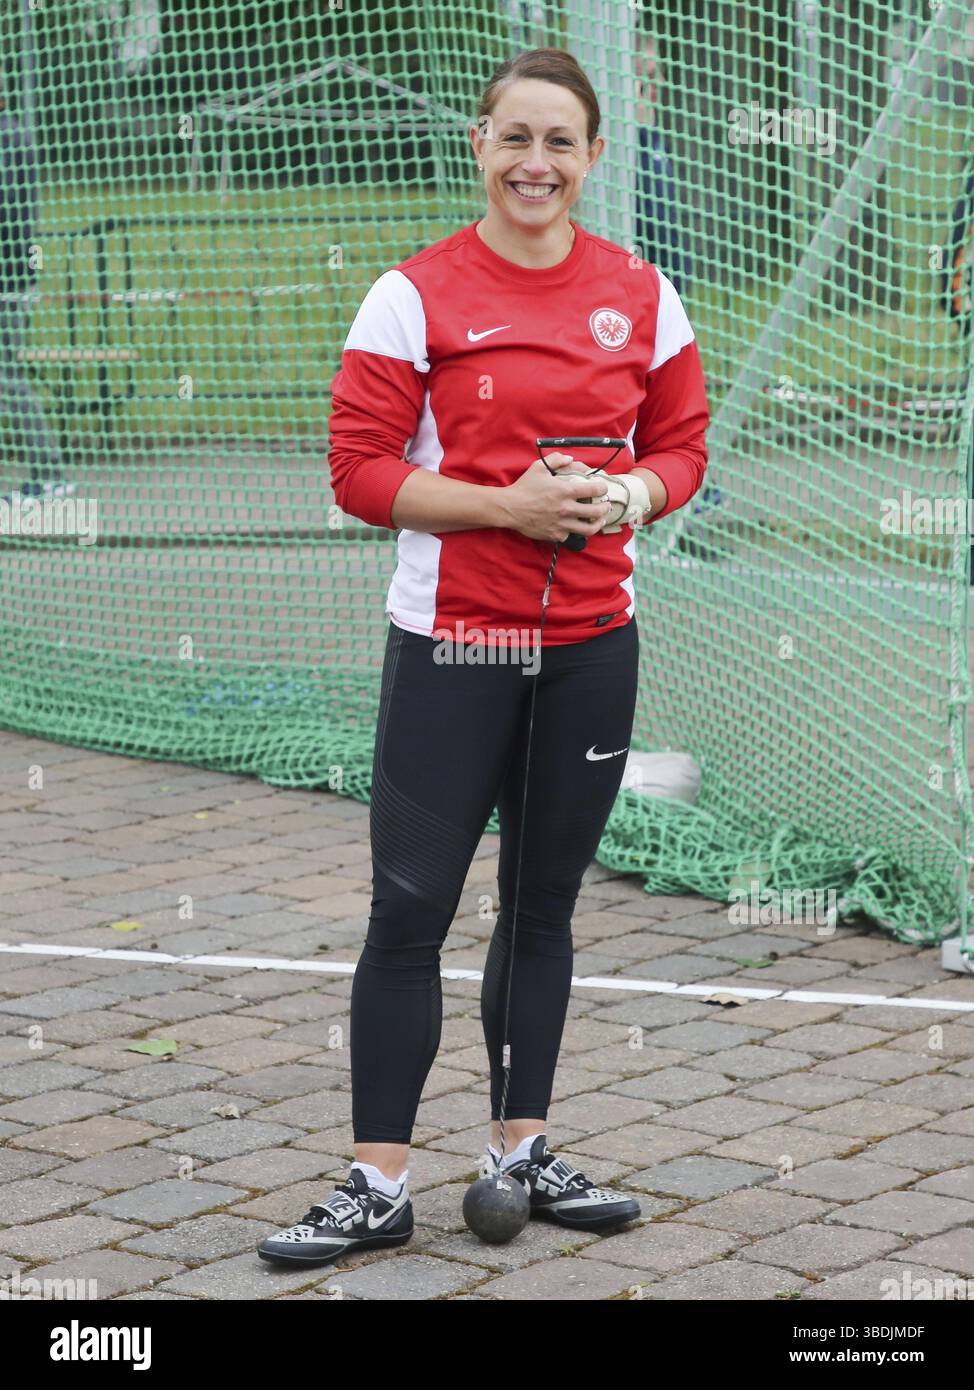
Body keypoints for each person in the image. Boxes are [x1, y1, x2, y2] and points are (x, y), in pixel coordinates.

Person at [257, 46, 709, 1269]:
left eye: (560, 142)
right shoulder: (411, 295)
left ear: (593, 157)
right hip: (460, 636)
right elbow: (356, 473)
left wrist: (623, 497)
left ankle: (518, 1154)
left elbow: (682, 448)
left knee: (543, 906)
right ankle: (376, 1183)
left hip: (589, 645)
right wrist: (505, 509)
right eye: (516, 138)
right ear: (479, 142)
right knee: (410, 906)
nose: (536, 163)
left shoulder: (641, 291)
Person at [0, 76, 69, 502]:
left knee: (9, 377)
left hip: (8, 279)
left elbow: (12, 210)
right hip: (15, 275)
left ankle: (49, 475)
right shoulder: (14, 136)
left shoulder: (10, 139)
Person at [634, 35, 691, 298]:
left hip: (668, 282)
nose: (661, 82)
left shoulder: (655, 134)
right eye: (652, 74)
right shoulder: (627, 142)